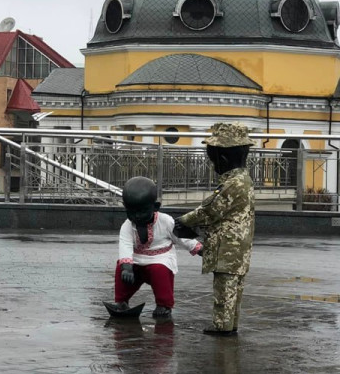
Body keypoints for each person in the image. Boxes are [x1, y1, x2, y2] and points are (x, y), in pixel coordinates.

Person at [174, 123, 255, 336]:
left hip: (228, 246)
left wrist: (183, 220)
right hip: (239, 247)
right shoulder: (242, 179)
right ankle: (230, 324)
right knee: (234, 289)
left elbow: (210, 209)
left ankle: (222, 326)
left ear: (224, 158)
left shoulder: (233, 183)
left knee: (224, 290)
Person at [105, 177, 203, 319]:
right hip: (137, 260)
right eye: (131, 212)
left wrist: (198, 248)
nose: (137, 216)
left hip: (160, 258)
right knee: (121, 268)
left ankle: (164, 305)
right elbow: (125, 246)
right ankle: (121, 302)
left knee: (160, 270)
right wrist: (127, 267)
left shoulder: (166, 221)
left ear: (155, 207)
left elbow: (180, 238)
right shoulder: (127, 225)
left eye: (142, 211)